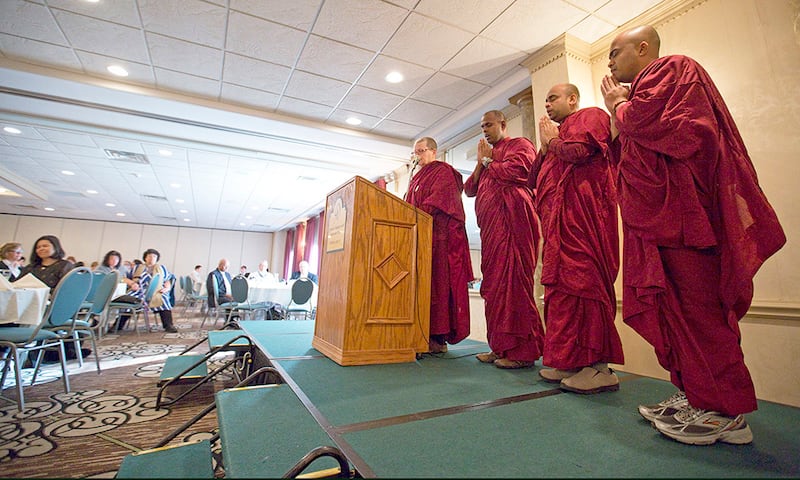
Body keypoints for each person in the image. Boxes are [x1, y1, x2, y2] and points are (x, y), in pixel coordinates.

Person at [600, 25, 785, 445]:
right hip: (659, 222)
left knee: (701, 314)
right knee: (676, 314)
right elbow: (632, 153)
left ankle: (729, 413)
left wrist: (619, 108)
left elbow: (682, 131)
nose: (609, 62)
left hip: (687, 220)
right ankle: (699, 395)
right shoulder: (640, 93)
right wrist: (622, 115)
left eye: (615, 52)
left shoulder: (675, 69)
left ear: (643, 48)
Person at [528, 84, 624, 393]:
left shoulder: (592, 115)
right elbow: (533, 180)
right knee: (562, 292)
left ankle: (598, 367)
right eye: (545, 99)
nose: (547, 103)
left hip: (584, 221)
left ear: (572, 99)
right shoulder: (555, 137)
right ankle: (571, 360)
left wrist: (552, 140)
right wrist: (545, 148)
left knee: (584, 284)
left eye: (552, 97)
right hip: (557, 226)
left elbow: (580, 152)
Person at [463, 110, 545, 369]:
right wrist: (480, 163)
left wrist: (488, 163)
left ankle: (522, 353)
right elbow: (469, 189)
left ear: (503, 123)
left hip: (514, 225)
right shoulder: (487, 158)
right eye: (482, 126)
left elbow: (522, 171)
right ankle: (499, 347)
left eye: (488, 125)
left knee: (514, 286)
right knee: (495, 288)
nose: (485, 130)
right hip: (491, 231)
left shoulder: (519, 145)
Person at [404, 136, 473, 354]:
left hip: (440, 242)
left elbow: (440, 202)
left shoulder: (443, 171)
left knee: (439, 289)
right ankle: (418, 332)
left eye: (421, 151)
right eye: (415, 153)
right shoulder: (415, 179)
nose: (418, 157)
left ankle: (437, 337)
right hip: (421, 241)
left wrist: (417, 214)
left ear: (434, 151)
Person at [132, 248, 177, 333]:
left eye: (154, 256)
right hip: (140, 290)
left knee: (163, 299)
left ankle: (168, 325)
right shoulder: (138, 267)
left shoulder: (161, 268)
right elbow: (128, 278)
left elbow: (167, 279)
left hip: (157, 290)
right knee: (131, 299)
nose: (152, 258)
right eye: (149, 256)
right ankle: (118, 325)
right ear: (145, 258)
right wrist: (132, 283)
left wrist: (167, 288)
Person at [96, 250, 141, 331]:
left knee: (128, 302)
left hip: (119, 292)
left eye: (116, 259)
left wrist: (132, 283)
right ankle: (98, 322)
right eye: (112, 259)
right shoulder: (101, 269)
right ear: (107, 259)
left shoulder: (122, 269)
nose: (114, 261)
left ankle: (117, 325)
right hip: (104, 292)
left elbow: (123, 279)